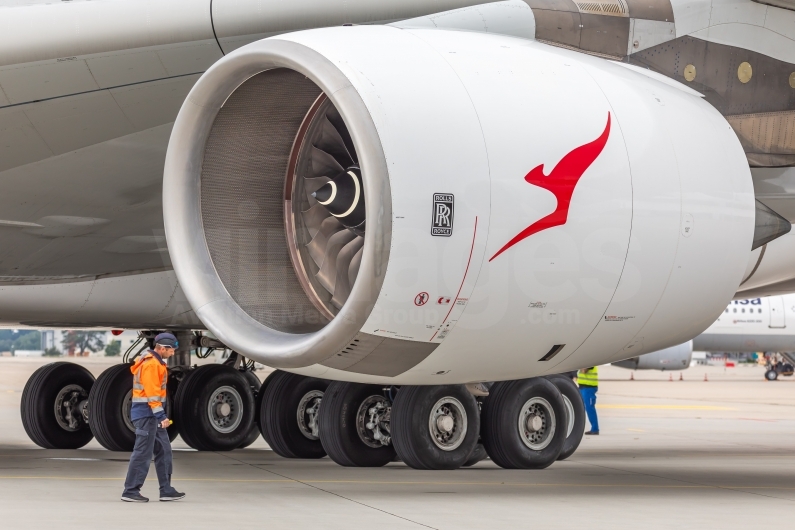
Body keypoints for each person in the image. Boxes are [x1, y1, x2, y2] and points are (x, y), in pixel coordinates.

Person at [121, 333, 186, 502]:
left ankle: (166, 489)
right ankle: (131, 491)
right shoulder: (151, 365)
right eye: (171, 350)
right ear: (162, 348)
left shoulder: (157, 363)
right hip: (146, 415)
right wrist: (161, 415)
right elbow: (152, 393)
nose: (173, 353)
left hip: (152, 416)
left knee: (164, 450)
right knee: (143, 452)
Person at [578, 366, 599, 435]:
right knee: (581, 408)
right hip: (583, 387)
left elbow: (584, 370)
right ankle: (593, 428)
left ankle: (595, 429)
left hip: (588, 388)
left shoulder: (590, 360)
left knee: (590, 408)